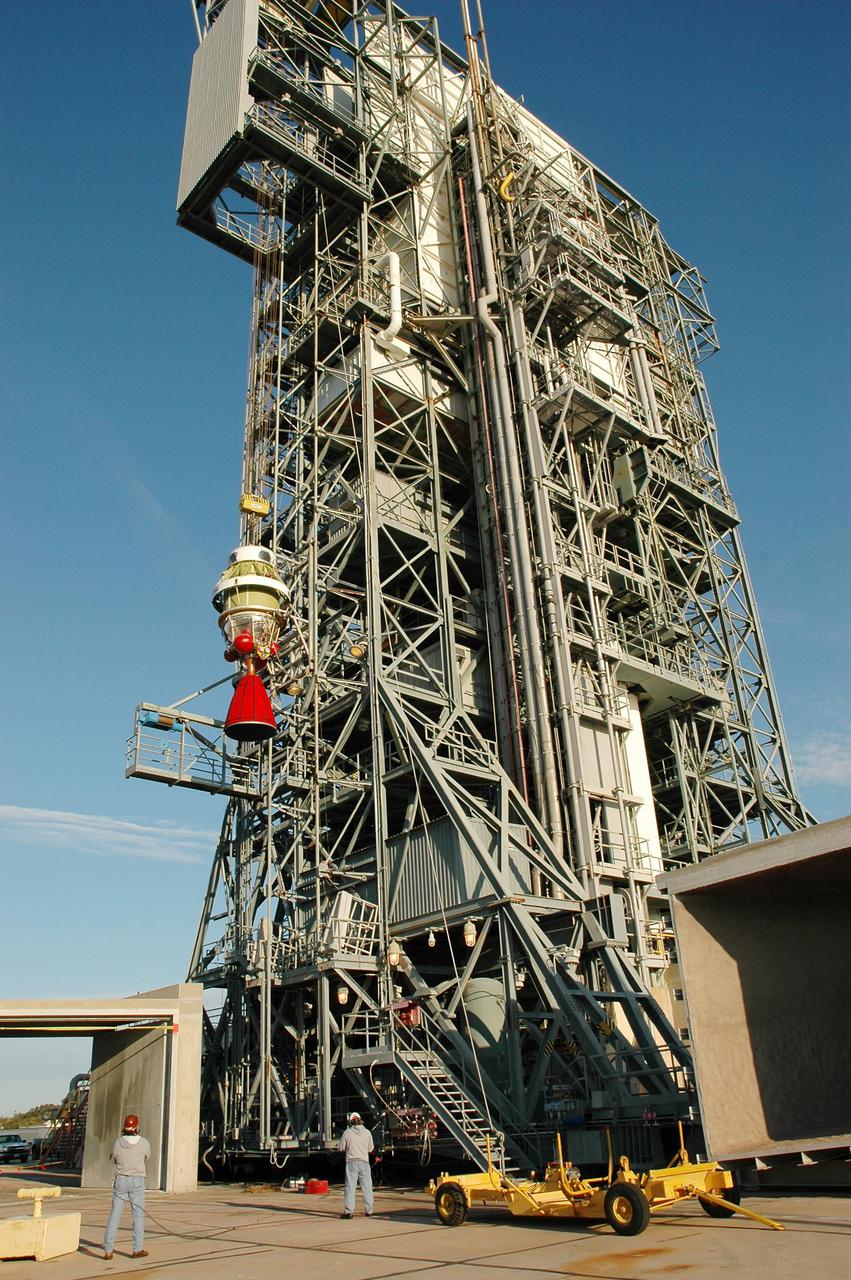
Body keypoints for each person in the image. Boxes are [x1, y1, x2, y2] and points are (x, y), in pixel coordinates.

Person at [103, 1113, 151, 1260]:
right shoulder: (144, 1142)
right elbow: (146, 1157)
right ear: (136, 1126)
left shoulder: (118, 1142)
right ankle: (137, 1249)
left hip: (121, 1180)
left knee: (115, 1214)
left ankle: (108, 1250)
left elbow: (114, 1158)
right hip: (137, 1180)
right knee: (137, 1215)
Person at [338, 1112, 374, 1219]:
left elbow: (341, 1148)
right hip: (364, 1162)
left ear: (350, 1122)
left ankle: (349, 1212)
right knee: (367, 1187)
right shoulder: (367, 1133)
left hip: (351, 1163)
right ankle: (369, 1210)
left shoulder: (347, 1133)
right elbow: (371, 1149)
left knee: (350, 1187)